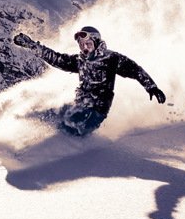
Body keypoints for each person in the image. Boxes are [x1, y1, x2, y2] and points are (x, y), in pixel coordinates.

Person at [12, 25, 165, 136]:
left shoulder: (111, 58)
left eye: (88, 44)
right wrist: (31, 45)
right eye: (82, 45)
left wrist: (151, 87)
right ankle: (26, 137)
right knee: (49, 115)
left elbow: (135, 70)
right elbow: (55, 58)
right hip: (79, 104)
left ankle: (61, 148)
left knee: (70, 125)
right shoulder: (79, 61)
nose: (85, 48)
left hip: (95, 111)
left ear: (96, 42)